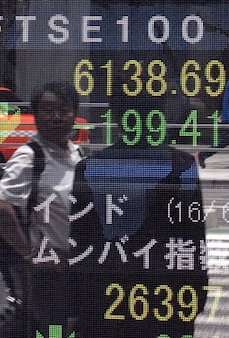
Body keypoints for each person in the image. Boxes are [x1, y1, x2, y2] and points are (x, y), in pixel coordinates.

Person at [68, 98, 209, 338]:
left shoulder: (89, 167)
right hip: (164, 295)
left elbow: (81, 243)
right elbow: (193, 238)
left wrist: (75, 303)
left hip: (103, 296)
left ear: (117, 122)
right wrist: (194, 296)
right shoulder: (181, 166)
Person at [0, 82, 84, 335]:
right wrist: (30, 254)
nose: (56, 116)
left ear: (74, 113)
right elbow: (2, 208)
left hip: (73, 265)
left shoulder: (76, 153)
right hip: (46, 270)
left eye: (63, 109)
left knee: (58, 326)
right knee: (52, 329)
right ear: (35, 114)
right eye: (48, 110)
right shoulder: (29, 156)